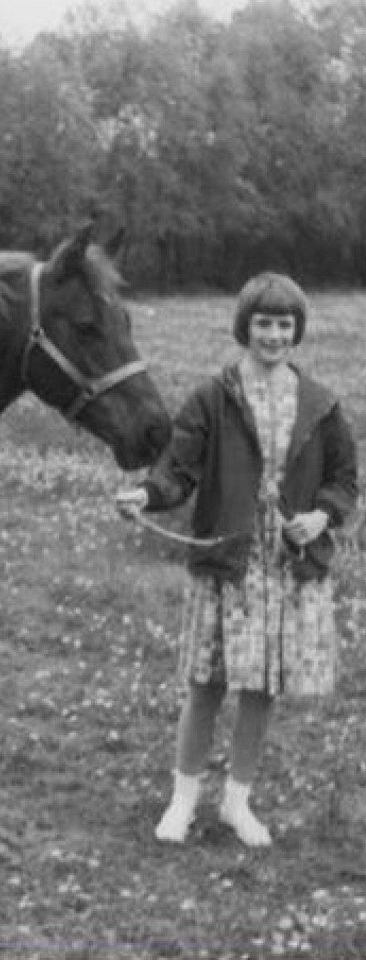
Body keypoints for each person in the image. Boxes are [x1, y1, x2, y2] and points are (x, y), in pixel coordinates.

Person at [116, 272, 358, 847]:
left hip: (285, 567)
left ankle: (237, 802)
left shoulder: (321, 404)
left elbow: (345, 479)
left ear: (296, 330)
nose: (273, 335)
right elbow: (178, 470)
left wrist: (322, 516)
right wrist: (146, 495)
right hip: (229, 564)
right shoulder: (211, 397)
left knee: (260, 687)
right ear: (244, 327)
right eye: (263, 323)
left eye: (283, 324)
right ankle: (183, 801)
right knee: (206, 682)